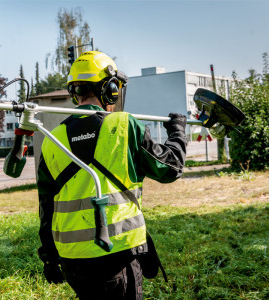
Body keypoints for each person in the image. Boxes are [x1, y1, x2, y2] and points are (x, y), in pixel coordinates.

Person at [36, 51, 188, 299]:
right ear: (110, 89)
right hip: (117, 256)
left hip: (73, 261)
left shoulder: (53, 140)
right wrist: (178, 132)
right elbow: (170, 168)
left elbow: (46, 207)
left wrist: (49, 258)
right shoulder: (125, 126)